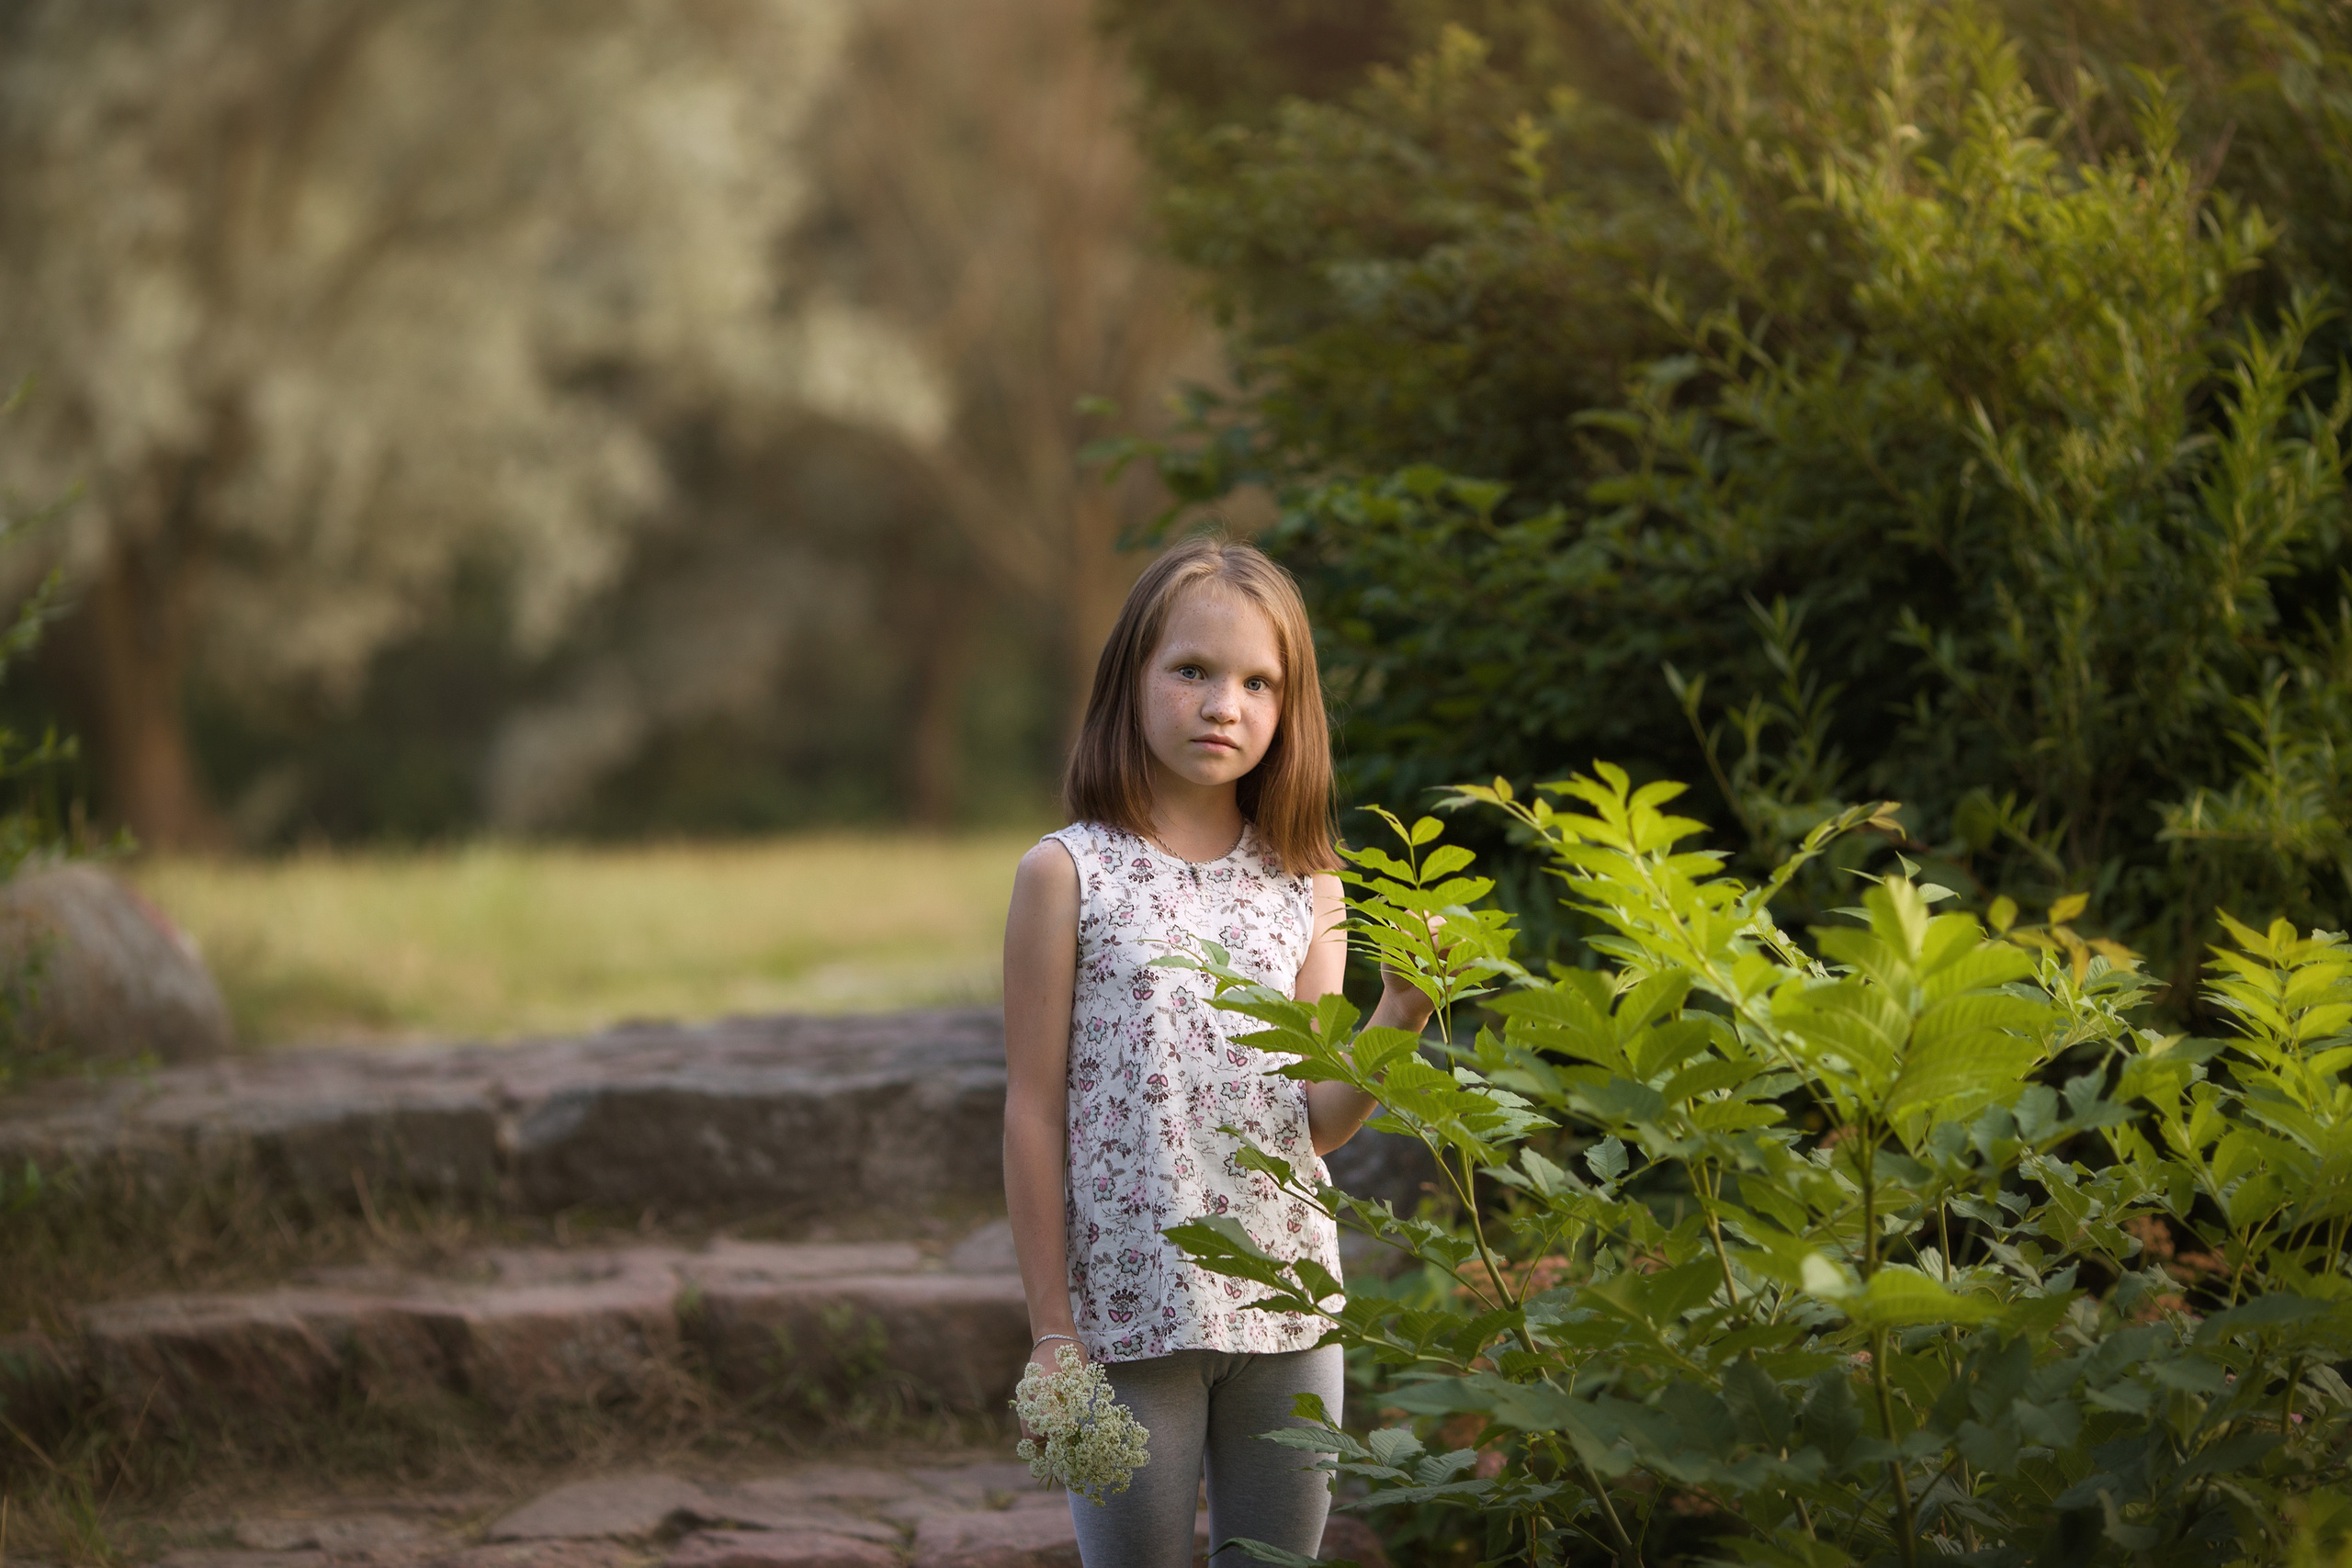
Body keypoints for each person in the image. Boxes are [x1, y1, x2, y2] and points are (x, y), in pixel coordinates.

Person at [1000, 536, 1436, 1567]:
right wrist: (1053, 1325)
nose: (1221, 704)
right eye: (1190, 670)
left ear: (1289, 708)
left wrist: (1402, 1015)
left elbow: (1318, 1118)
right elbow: (1032, 1110)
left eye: (1257, 682)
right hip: (1126, 1312)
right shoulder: (1067, 876)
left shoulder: (1309, 886)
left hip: (1290, 1312)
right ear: (1130, 680)